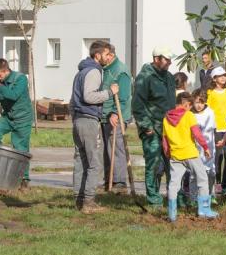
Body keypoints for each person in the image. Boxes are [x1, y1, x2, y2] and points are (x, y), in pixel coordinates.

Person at [133, 46, 178, 207]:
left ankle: (173, 197)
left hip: (169, 129)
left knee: (173, 164)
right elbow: (138, 105)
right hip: (152, 129)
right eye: (166, 59)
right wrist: (146, 126)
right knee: (153, 164)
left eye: (170, 59)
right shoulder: (145, 78)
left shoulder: (170, 77)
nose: (169, 62)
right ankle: (154, 199)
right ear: (156, 59)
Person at [71, 41, 112, 213]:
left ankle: (78, 200)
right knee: (94, 163)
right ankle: (88, 202)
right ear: (98, 55)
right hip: (88, 120)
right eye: (106, 54)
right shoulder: (94, 71)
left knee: (81, 160)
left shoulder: (81, 72)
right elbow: (89, 97)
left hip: (78, 120)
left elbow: (73, 101)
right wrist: (110, 93)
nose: (109, 57)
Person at [162, 91, 215, 221]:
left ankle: (172, 214)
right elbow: (197, 133)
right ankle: (204, 211)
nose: (191, 107)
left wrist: (168, 153)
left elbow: (165, 140)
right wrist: (206, 147)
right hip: (190, 154)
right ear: (185, 104)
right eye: (190, 105)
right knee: (202, 179)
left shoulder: (166, 118)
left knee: (174, 184)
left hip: (175, 155)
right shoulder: (189, 115)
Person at [0, 58, 33, 187]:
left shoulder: (20, 79)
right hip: (8, 117)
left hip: (23, 118)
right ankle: (0, 162)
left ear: (5, 71)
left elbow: (13, 95)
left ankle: (24, 179)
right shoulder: (0, 82)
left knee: (20, 147)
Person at [99, 43, 133, 191]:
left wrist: (114, 113)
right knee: (106, 149)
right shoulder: (106, 69)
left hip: (117, 115)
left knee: (117, 148)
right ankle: (109, 180)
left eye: (104, 55)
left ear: (111, 55)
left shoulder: (121, 71)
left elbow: (124, 96)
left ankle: (119, 182)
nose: (102, 57)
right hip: (104, 114)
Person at [205, 67, 226, 193]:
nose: (223, 78)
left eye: (224, 75)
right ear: (214, 78)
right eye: (220, 75)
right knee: (218, 156)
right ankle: (217, 181)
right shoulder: (210, 93)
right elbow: (207, 110)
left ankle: (225, 184)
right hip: (216, 128)